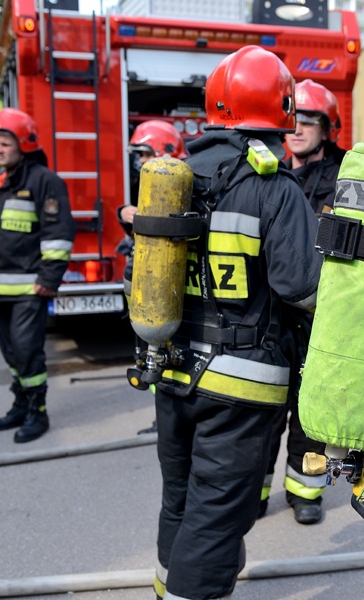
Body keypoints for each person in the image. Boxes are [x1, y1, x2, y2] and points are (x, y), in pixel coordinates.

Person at [133, 46, 322, 600]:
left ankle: (168, 587)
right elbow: (300, 288)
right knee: (215, 519)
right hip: (241, 383)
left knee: (181, 502)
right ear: (281, 111)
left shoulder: (173, 175)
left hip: (171, 368)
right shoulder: (274, 188)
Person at [0, 108, 74, 443]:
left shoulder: (44, 181)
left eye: (5, 143)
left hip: (28, 289)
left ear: (23, 143)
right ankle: (21, 404)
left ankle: (38, 411)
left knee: (26, 350)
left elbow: (59, 234)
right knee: (9, 352)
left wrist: (49, 279)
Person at [259, 79, 345, 525]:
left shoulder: (346, 179)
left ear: (327, 128)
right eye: (295, 119)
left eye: (310, 121)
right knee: (263, 409)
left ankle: (305, 492)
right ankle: (255, 491)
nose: (299, 129)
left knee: (310, 413)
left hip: (321, 316)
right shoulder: (268, 173)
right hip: (272, 314)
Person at [118, 120, 189, 435]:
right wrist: (126, 214)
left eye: (145, 153)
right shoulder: (151, 184)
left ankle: (168, 420)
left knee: (165, 349)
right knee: (149, 350)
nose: (140, 162)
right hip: (145, 291)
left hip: (167, 294)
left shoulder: (178, 185)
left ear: (166, 153)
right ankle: (162, 416)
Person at [283, 78, 346, 215]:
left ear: (325, 131)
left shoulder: (343, 179)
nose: (297, 131)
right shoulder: (274, 175)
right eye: (292, 123)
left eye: (307, 123)